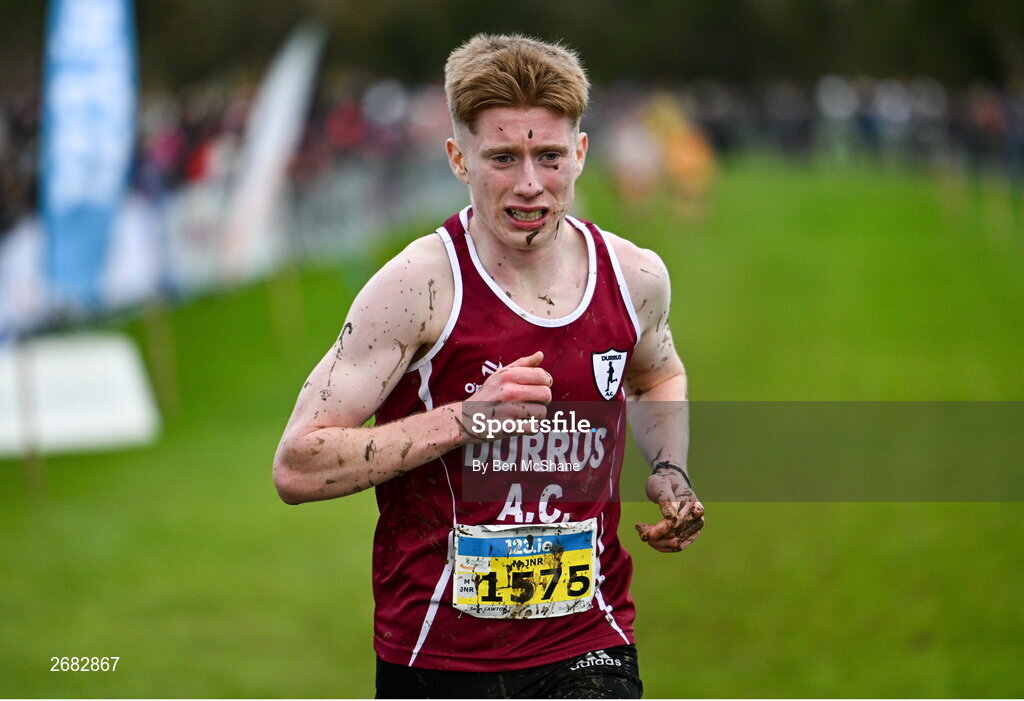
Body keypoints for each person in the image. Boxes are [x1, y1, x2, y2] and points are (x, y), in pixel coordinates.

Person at [273, 33, 704, 699]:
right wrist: (465, 419)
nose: (529, 183)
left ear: (581, 154)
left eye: (550, 156)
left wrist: (670, 469)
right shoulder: (417, 285)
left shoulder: (634, 277)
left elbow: (656, 374)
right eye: (503, 157)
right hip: (439, 655)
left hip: (589, 640)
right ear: (458, 157)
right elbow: (298, 464)